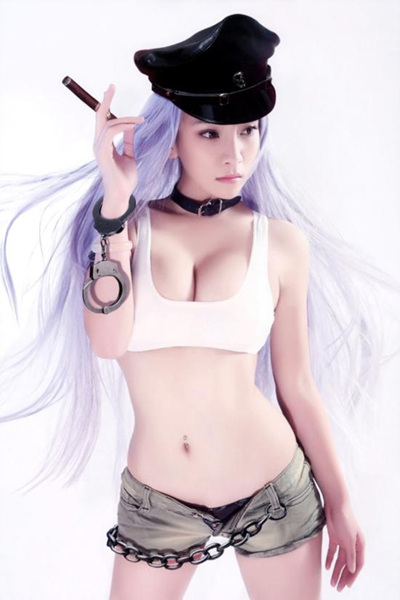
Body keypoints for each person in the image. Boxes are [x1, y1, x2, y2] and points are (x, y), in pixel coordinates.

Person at [1, 12, 399, 600]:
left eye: (247, 132)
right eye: (210, 134)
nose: (235, 154)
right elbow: (107, 343)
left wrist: (340, 504)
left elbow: (297, 385)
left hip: (275, 492)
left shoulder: (281, 243)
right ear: (173, 138)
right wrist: (116, 202)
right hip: (158, 503)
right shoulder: (124, 230)